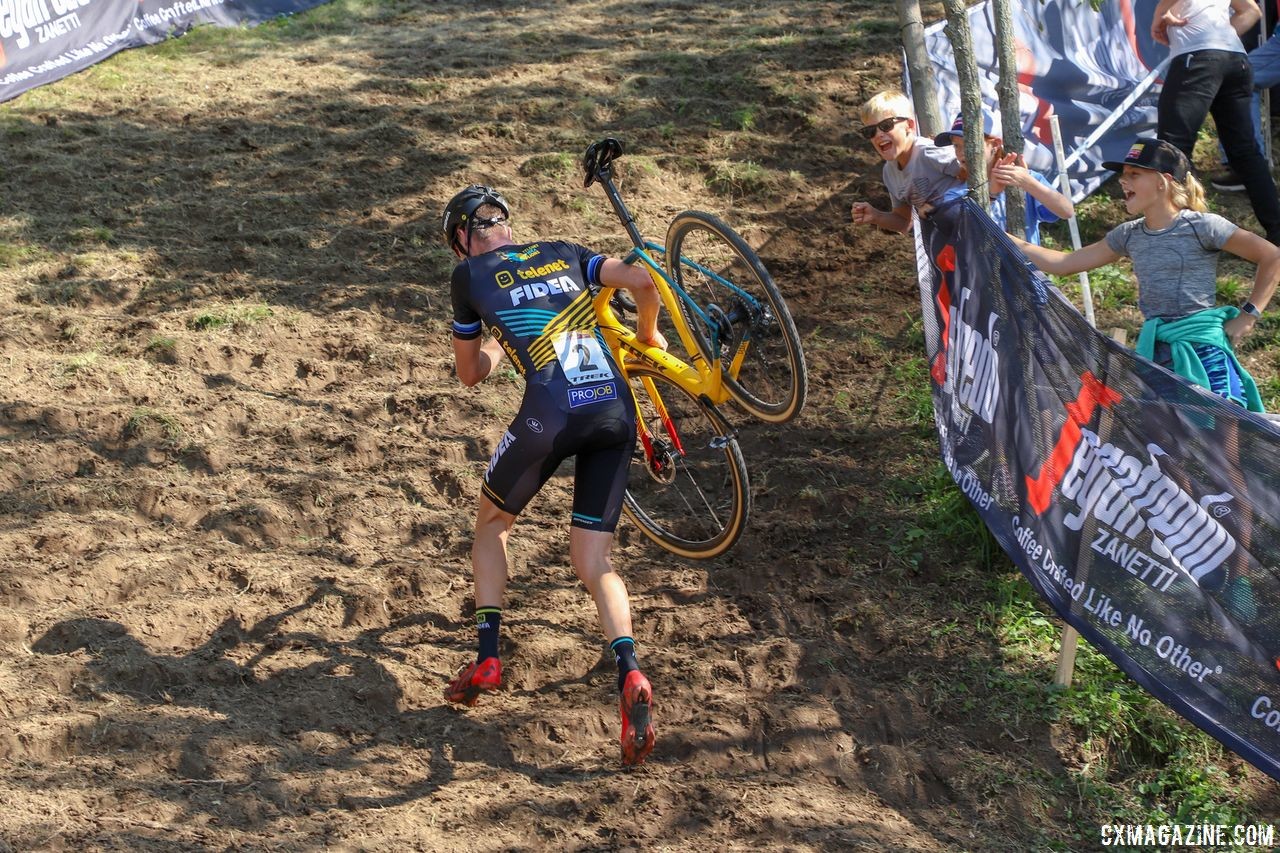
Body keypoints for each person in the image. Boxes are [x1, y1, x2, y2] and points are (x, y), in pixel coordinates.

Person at [441, 184, 667, 766]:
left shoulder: (469, 278)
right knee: (595, 562)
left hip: (549, 415)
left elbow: (469, 375)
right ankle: (631, 670)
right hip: (615, 411)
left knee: (491, 525)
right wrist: (646, 336)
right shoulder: (565, 251)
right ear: (506, 224)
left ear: (463, 241)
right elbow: (644, 280)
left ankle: (488, 654)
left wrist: (495, 342)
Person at [1011, 138, 1280, 410]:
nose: (1122, 182)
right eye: (1123, 175)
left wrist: (1249, 315)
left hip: (1202, 348)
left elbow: (1272, 256)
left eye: (1134, 175)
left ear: (1162, 182)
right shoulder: (1128, 234)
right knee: (1169, 443)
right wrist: (1002, 236)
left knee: (1222, 437)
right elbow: (1064, 263)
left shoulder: (1204, 226)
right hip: (1156, 349)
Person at [1151, 0, 1280, 245]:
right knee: (1244, 151)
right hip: (1235, 59)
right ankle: (1276, 230)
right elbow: (1251, 11)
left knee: (1172, 149)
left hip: (1197, 58)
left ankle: (1179, 235)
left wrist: (1160, 13)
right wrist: (1218, 39)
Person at [933, 111, 1075, 245]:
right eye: (956, 146)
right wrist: (991, 194)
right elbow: (959, 230)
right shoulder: (955, 194)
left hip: (1025, 270)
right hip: (982, 271)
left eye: (970, 144)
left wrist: (1028, 182)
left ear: (994, 145)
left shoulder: (1024, 178)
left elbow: (1066, 211)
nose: (962, 152)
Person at [850, 89, 964, 233]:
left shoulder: (928, 152)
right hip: (943, 240)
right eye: (870, 131)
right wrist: (876, 216)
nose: (879, 134)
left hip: (969, 231)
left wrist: (943, 206)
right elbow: (905, 222)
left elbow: (977, 179)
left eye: (886, 126)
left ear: (909, 125)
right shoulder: (889, 172)